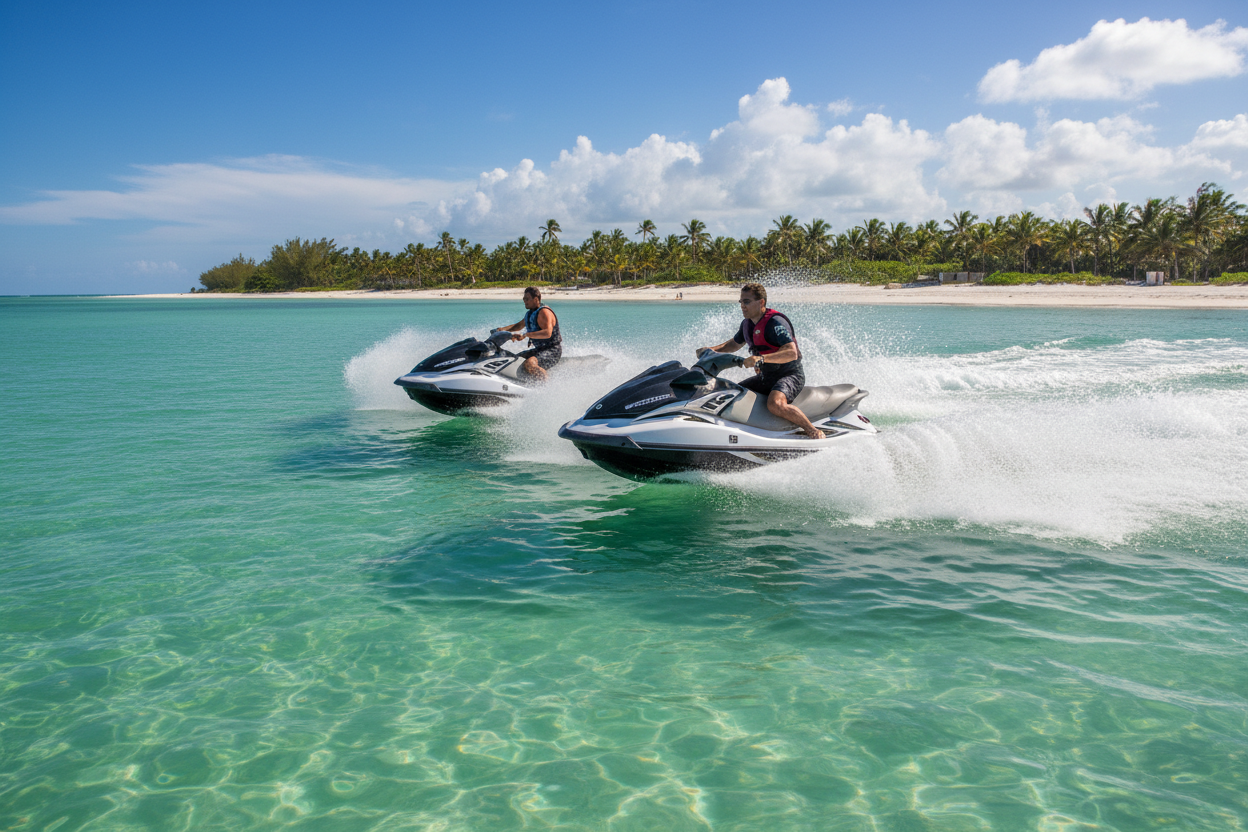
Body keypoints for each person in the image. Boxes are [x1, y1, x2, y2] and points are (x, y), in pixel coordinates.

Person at [698, 283, 824, 438]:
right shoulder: (747, 324)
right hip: (767, 376)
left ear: (761, 302)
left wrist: (761, 358)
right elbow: (733, 344)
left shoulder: (775, 322)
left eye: (747, 301)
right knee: (730, 395)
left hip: (789, 375)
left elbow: (792, 353)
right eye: (741, 302)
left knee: (775, 404)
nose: (742, 306)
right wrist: (710, 350)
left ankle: (812, 430)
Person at [495, 286, 562, 382]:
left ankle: (547, 387)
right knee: (513, 360)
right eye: (523, 299)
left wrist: (526, 335)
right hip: (539, 350)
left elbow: (547, 333)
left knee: (530, 364)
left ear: (535, 299)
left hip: (553, 351)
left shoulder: (544, 312)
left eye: (527, 299)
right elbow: (518, 326)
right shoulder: (531, 313)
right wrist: (502, 330)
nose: (524, 301)